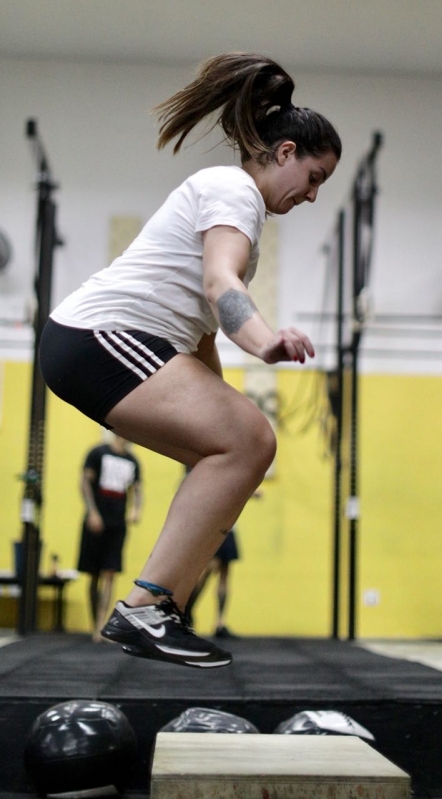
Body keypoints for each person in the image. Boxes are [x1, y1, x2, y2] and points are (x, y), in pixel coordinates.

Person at [39, 51, 341, 670]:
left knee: (243, 445)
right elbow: (219, 283)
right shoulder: (235, 192)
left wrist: (226, 417)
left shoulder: (234, 206)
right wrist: (263, 342)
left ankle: (156, 609)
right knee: (251, 438)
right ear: (284, 152)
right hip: (100, 335)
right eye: (314, 177)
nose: (312, 196)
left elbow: (199, 338)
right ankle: (147, 609)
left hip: (111, 345)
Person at [77, 434, 142, 642]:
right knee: (94, 574)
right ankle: (93, 621)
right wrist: (92, 512)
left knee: (109, 573)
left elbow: (138, 489)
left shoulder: (133, 461)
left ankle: (101, 623)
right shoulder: (98, 453)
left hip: (117, 524)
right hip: (97, 521)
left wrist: (136, 509)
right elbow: (85, 483)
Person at [184, 527, 240, 638]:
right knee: (208, 571)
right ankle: (186, 611)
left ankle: (220, 623)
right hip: (216, 529)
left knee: (224, 575)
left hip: (229, 530)